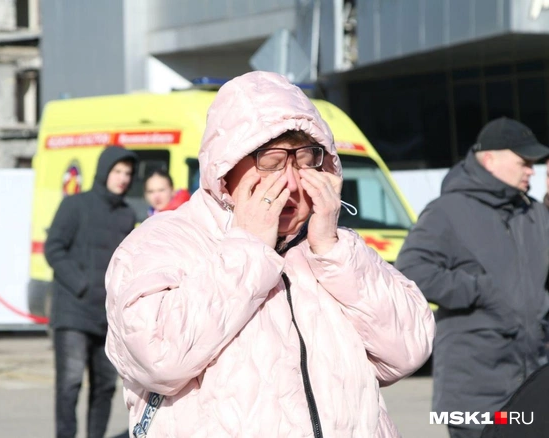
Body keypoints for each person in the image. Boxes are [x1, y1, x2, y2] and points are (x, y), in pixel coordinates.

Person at [104, 71, 434, 437]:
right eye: (272, 162)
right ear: (225, 168)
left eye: (307, 160)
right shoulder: (162, 242)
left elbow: (409, 349)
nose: (292, 183)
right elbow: (157, 356)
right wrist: (250, 249)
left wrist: (333, 252)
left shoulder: (332, 247)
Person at [395, 117, 549, 438]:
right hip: (474, 393)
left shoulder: (535, 215)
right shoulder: (446, 211)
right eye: (524, 162)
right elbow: (411, 270)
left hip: (532, 383)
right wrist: (480, 290)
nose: (532, 171)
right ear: (490, 158)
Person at [45, 146, 138, 438]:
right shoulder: (75, 205)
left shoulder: (127, 215)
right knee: (70, 384)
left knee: (105, 387)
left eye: (127, 173)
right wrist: (81, 284)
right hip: (73, 312)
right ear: (104, 171)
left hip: (107, 317)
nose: (122, 178)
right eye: (117, 171)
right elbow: (54, 248)